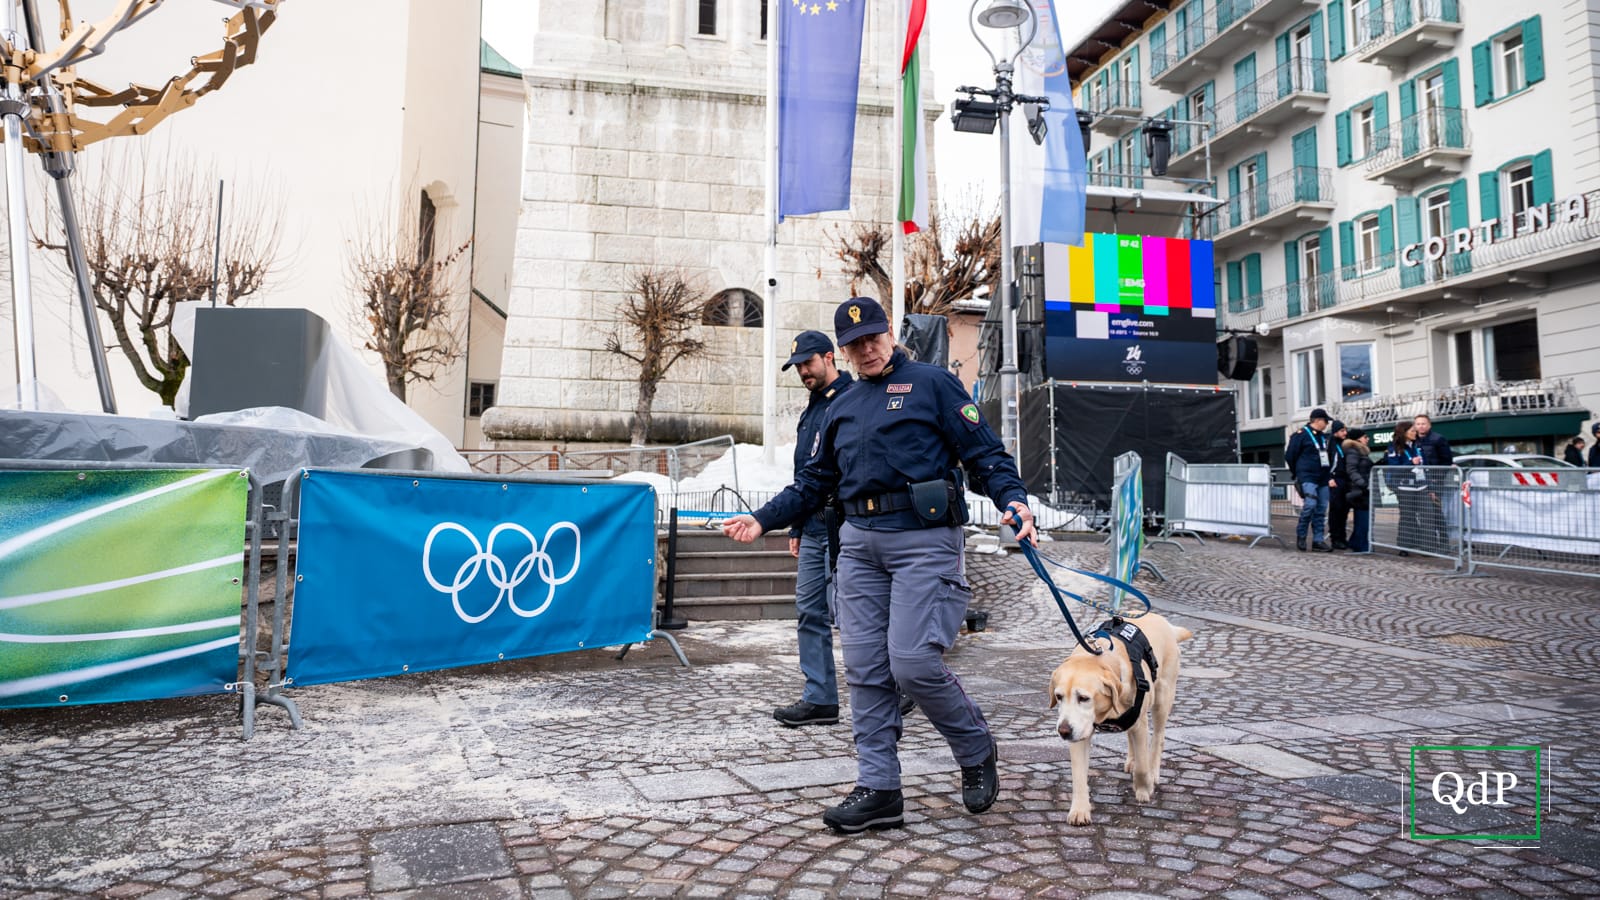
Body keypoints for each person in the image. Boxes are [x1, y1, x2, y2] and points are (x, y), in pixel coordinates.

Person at [722, 296, 1036, 834]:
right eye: (854, 343)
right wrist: (763, 519)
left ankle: (974, 745)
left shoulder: (934, 384)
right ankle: (879, 788)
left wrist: (1014, 499)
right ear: (842, 351)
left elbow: (985, 455)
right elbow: (813, 483)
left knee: (912, 663)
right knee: (866, 671)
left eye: (872, 337)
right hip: (859, 547)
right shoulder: (841, 405)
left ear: (888, 332)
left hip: (923, 541)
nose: (866, 349)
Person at [771, 330, 852, 728]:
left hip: (847, 524)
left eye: (808, 362)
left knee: (857, 613)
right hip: (814, 525)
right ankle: (820, 698)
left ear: (828, 357)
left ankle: (891, 687)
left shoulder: (852, 398)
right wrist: (796, 527)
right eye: (798, 366)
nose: (803, 371)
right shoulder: (813, 407)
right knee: (809, 612)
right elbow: (804, 475)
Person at [1284, 408, 1336, 552]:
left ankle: (1318, 540)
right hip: (1308, 476)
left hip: (1323, 477)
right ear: (1317, 420)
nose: (1327, 424)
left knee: (1321, 509)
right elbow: (1290, 456)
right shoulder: (1300, 435)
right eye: (1325, 421)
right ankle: (1301, 535)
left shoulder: (1324, 437)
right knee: (1310, 505)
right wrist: (1298, 473)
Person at [1383, 421, 1426, 556]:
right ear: (1404, 432)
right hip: (1404, 487)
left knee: (1426, 515)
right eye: (1412, 431)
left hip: (1421, 486)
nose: (1415, 433)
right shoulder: (1394, 448)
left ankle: (1425, 545)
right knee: (1407, 516)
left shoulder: (1417, 445)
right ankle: (1404, 546)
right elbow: (1394, 468)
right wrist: (1410, 462)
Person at [1343, 428, 1374, 552]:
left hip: (1363, 489)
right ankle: (1361, 545)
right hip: (1360, 491)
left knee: (1363, 518)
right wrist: (1363, 484)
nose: (1368, 439)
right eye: (1365, 437)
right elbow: (1351, 470)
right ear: (1358, 439)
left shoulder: (1361, 451)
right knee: (1363, 519)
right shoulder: (1353, 451)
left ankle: (1356, 542)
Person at [1326, 420, 1351, 550]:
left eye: (1345, 430)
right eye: (1342, 431)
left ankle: (1342, 537)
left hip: (1345, 480)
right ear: (1335, 431)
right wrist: (1329, 477)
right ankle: (1335, 538)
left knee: (1344, 510)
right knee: (1336, 510)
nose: (1345, 433)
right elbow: (1326, 462)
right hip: (1335, 480)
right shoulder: (1330, 444)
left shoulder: (1344, 444)